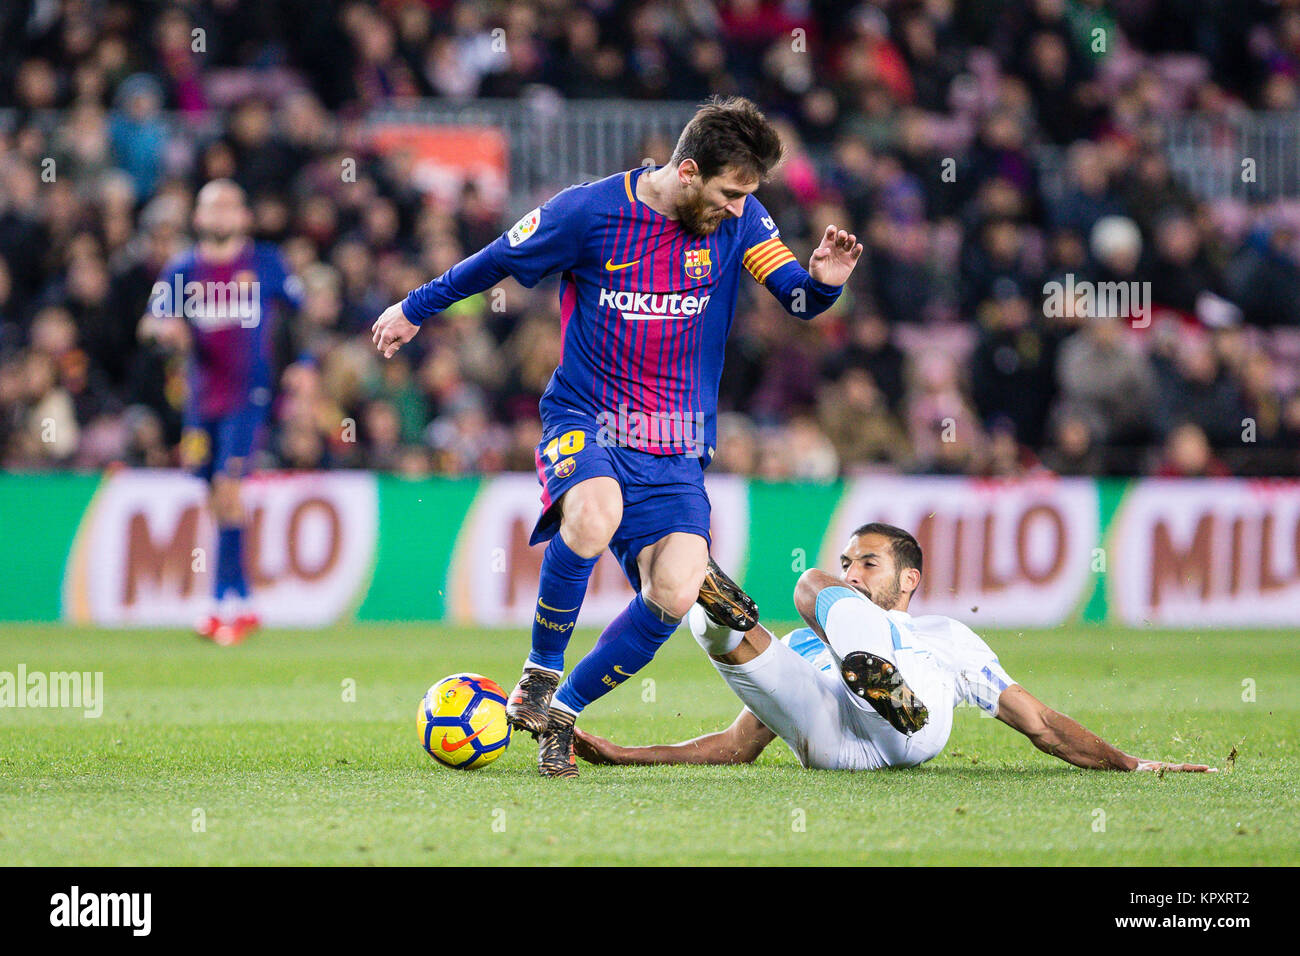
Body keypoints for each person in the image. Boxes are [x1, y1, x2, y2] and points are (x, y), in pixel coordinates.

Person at [371, 96, 862, 776]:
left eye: (747, 194)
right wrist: (413, 309)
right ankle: (541, 669)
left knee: (676, 590)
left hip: (676, 442)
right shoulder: (588, 212)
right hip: (586, 419)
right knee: (595, 513)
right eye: (727, 191)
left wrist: (826, 285)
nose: (737, 205)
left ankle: (562, 711)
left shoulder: (743, 217)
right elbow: (495, 261)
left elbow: (796, 296)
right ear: (688, 171)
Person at [576, 523, 1215, 775]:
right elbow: (737, 746)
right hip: (836, 746)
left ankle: (881, 683)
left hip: (916, 729)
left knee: (808, 584)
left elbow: (1041, 725)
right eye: (848, 561)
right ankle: (712, 602)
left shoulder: (946, 637)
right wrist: (624, 754)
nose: (853, 572)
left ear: (909, 580)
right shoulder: (806, 639)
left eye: (869, 563)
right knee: (716, 627)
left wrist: (1133, 764)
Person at [139, 179, 301, 645]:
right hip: (199, 399)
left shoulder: (266, 263)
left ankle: (222, 603)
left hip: (248, 396)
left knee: (229, 489)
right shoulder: (182, 269)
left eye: (231, 205)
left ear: (244, 217)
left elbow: (303, 316)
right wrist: (162, 330)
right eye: (213, 207)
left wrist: (303, 366)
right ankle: (240, 599)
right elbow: (150, 322)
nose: (222, 214)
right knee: (214, 496)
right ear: (198, 218)